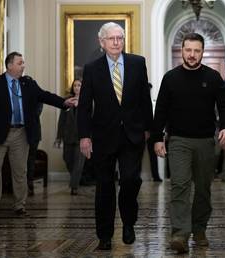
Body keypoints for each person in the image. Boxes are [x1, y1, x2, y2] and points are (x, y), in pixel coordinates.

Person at [152, 32, 225, 254]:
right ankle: (179, 234)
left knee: (203, 189)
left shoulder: (214, 77)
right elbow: (161, 111)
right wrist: (158, 137)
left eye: (197, 51)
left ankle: (199, 229)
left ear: (202, 52)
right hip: (178, 141)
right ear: (182, 51)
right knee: (179, 185)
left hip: (206, 142)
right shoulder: (170, 78)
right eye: (188, 50)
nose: (192, 54)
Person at [77, 22, 152, 250]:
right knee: (105, 187)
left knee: (130, 180)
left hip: (132, 135)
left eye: (120, 38)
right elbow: (84, 106)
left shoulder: (138, 63)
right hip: (103, 136)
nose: (117, 42)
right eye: (112, 39)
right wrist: (84, 136)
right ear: (102, 42)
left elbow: (144, 100)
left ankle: (129, 222)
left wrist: (149, 129)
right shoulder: (91, 69)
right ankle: (105, 236)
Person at [0, 51, 75, 218]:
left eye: (23, 63)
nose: (23, 66)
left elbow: (44, 96)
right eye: (20, 63)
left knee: (20, 171)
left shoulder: (28, 83)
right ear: (10, 65)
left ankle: (20, 206)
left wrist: (64, 102)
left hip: (20, 133)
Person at [54, 79, 85, 195]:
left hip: (82, 137)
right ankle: (75, 178)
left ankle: (74, 187)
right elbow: (61, 120)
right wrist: (59, 137)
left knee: (78, 163)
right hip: (68, 136)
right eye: (75, 85)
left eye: (79, 85)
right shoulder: (67, 101)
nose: (77, 87)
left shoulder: (87, 100)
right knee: (67, 159)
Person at [146, 83, 162, 182]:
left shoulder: (153, 103)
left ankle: (155, 176)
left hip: (152, 133)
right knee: (136, 156)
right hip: (140, 132)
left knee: (153, 156)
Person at [27, 102, 42, 196]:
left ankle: (29, 183)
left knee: (31, 160)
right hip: (19, 133)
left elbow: (37, 112)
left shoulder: (38, 96)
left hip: (34, 132)